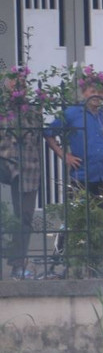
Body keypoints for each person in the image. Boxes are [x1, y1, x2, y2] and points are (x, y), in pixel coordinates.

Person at [43, 68, 103, 198]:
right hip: (81, 175)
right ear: (84, 93)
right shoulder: (71, 113)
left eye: (100, 92)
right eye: (92, 91)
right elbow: (48, 133)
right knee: (81, 210)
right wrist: (64, 155)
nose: (97, 95)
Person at [0, 65, 44, 279]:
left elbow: (37, 139)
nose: (19, 87)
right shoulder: (2, 108)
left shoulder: (32, 111)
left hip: (28, 167)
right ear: (7, 86)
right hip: (5, 161)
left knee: (24, 217)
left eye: (23, 84)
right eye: (15, 83)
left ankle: (18, 263)